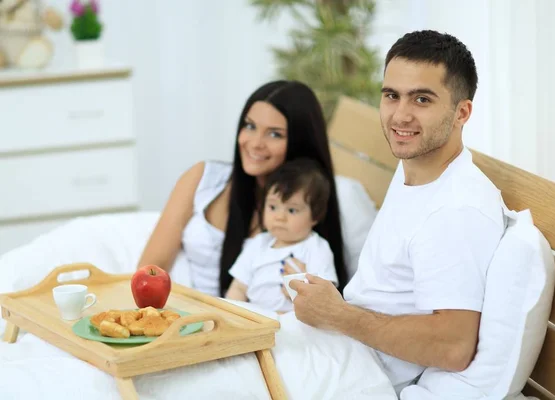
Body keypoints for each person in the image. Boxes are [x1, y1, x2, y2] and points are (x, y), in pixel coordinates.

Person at [287, 30, 506, 395]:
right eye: (391, 96)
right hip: (335, 348)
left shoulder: (456, 210)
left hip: (356, 371)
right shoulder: (416, 166)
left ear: (461, 113)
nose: (399, 116)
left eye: (422, 99)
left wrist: (337, 314)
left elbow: (453, 346)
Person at [137, 80, 348, 298]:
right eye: (250, 126)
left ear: (300, 142)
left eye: (275, 134)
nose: (255, 143)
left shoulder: (311, 209)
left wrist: (306, 294)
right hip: (186, 312)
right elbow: (152, 266)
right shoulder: (203, 178)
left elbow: (328, 300)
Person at [225, 158, 338, 313]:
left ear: (315, 216)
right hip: (253, 318)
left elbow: (326, 300)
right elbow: (238, 287)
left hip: (294, 322)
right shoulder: (258, 244)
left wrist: (302, 288)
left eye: (292, 210)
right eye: (273, 207)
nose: (280, 217)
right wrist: (230, 313)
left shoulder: (316, 248)